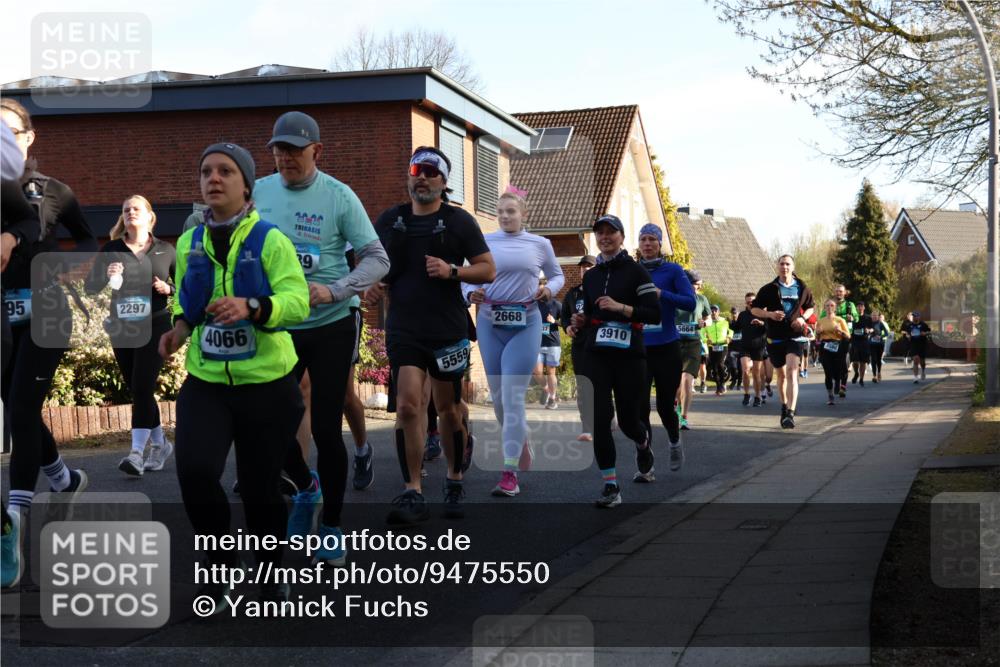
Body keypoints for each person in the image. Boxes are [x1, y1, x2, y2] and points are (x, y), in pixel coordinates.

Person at [159, 142, 310, 608]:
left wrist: (254, 306)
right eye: (207, 171)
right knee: (196, 472)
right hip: (206, 383)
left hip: (267, 385)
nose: (214, 178)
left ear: (246, 185)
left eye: (226, 171)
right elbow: (185, 299)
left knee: (260, 487)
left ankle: (271, 569)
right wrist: (179, 329)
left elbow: (298, 302)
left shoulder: (270, 240)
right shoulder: (189, 241)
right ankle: (219, 566)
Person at [254, 111, 389, 566]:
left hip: (331, 322)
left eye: (294, 150)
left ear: (317, 151)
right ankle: (306, 489)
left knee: (327, 428)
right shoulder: (258, 192)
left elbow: (377, 258)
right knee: (271, 423)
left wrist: (336, 289)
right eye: (279, 149)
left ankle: (331, 526)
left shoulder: (338, 195)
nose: (285, 157)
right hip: (279, 324)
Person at [367, 146, 495, 524]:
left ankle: (454, 479)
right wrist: (372, 283)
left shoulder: (458, 221)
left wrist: (452, 271)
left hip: (446, 328)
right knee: (408, 406)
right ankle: (413, 491)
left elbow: (487, 269)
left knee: (448, 410)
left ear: (443, 181)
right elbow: (375, 263)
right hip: (404, 327)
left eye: (430, 171)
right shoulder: (390, 220)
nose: (421, 177)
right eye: (415, 170)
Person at [1, 98, 97, 534]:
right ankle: (64, 480)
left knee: (21, 407)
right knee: (18, 406)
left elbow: (87, 238)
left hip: (47, 311)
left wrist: (73, 265)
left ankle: (16, 517)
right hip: (5, 315)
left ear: (29, 138)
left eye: (10, 134)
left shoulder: (54, 190)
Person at [464, 188, 563, 497]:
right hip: (490, 321)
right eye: (501, 212)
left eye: (511, 211)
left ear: (523, 214)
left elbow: (557, 276)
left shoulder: (540, 244)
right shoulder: (484, 242)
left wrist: (548, 290)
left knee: (512, 395)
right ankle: (521, 438)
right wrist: (470, 293)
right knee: (498, 399)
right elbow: (466, 277)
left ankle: (509, 474)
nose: (505, 216)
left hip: (526, 322)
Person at [568, 214, 660, 507]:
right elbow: (591, 313)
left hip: (629, 354)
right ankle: (611, 485)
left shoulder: (637, 272)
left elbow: (654, 313)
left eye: (611, 232)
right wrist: (581, 320)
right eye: (600, 233)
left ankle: (642, 443)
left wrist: (621, 308)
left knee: (630, 421)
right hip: (596, 353)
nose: (605, 237)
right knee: (599, 418)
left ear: (622, 237)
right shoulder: (591, 276)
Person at [84, 195, 176, 477]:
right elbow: (90, 288)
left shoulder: (166, 250)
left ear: (150, 216)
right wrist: (106, 273)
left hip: (156, 324)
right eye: (126, 210)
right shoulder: (112, 249)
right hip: (122, 326)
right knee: (138, 389)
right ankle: (161, 444)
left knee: (142, 384)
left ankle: (136, 453)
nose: (130, 212)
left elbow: (185, 285)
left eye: (136, 208)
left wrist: (168, 289)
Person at [1, 118, 40, 589]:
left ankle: (9, 524)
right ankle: (61, 476)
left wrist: (10, 239)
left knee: (22, 408)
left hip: (34, 310)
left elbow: (28, 220)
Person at [636, 224, 695, 475]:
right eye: (643, 239)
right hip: (639, 348)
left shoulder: (673, 270)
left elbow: (690, 302)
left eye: (652, 239)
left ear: (660, 244)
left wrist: (662, 294)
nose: (647, 244)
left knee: (664, 406)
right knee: (640, 407)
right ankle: (645, 462)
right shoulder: (632, 271)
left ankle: (674, 441)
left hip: (667, 347)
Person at [751, 254, 815, 429]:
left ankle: (790, 414)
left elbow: (810, 307)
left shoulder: (802, 287)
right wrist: (769, 314)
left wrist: (802, 318)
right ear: (777, 266)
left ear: (793, 267)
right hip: (775, 336)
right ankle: (784, 406)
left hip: (795, 334)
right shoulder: (769, 289)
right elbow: (755, 309)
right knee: (781, 375)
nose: (784, 267)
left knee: (792, 370)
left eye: (787, 264)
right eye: (781, 264)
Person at [560, 255, 598, 441]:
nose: (585, 270)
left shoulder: (602, 291)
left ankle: (607, 414)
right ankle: (587, 427)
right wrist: (567, 326)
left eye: (589, 266)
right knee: (583, 385)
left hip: (599, 343)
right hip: (580, 344)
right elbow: (564, 315)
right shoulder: (572, 293)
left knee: (600, 383)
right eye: (583, 267)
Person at [674, 270, 711, 429]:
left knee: (687, 381)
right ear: (686, 283)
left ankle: (683, 417)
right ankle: (677, 406)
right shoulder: (674, 297)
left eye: (700, 285)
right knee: (676, 384)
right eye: (696, 284)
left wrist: (705, 323)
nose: (699, 288)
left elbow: (709, 318)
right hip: (674, 343)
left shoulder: (701, 299)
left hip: (693, 343)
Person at [733, 292, 767, 407]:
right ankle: (747, 394)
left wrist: (761, 323)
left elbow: (769, 327)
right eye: (748, 302)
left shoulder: (762, 313)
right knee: (745, 370)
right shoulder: (742, 315)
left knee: (756, 373)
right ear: (745, 303)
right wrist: (733, 320)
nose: (750, 304)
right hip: (745, 346)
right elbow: (736, 327)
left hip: (758, 346)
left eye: (752, 302)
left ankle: (757, 396)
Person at [815, 299, 852, 405]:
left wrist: (840, 331)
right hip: (825, 346)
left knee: (839, 369)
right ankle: (830, 395)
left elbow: (848, 336)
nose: (829, 307)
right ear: (824, 308)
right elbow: (817, 338)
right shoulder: (821, 321)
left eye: (832, 305)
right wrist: (818, 333)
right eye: (827, 305)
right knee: (828, 372)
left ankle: (838, 382)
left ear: (835, 308)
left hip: (837, 345)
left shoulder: (840, 320)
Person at [533, 285, 563, 410]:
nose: (539, 292)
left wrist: (554, 321)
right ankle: (546, 389)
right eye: (537, 290)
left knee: (551, 372)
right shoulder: (533, 305)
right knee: (536, 372)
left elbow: (565, 322)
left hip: (552, 344)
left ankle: (552, 399)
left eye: (541, 290)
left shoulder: (556, 304)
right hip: (536, 344)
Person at [827, 284, 858, 398]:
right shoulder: (830, 304)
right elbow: (822, 317)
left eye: (841, 291)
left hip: (845, 337)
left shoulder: (850, 305)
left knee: (844, 361)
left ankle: (843, 386)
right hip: (832, 337)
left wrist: (852, 318)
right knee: (833, 362)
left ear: (845, 293)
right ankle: (836, 381)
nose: (838, 293)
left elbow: (857, 317)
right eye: (837, 291)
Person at [704, 305, 731, 396]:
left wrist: (729, 337)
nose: (713, 312)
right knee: (714, 367)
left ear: (718, 312)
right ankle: (718, 386)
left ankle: (722, 384)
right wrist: (706, 340)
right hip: (712, 346)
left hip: (723, 345)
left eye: (715, 310)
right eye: (711, 310)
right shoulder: (707, 322)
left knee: (720, 364)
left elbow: (731, 330)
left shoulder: (725, 321)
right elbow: (701, 333)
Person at [849, 301, 874, 386]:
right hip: (855, 341)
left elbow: (872, 328)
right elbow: (848, 326)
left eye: (861, 306)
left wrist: (869, 330)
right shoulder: (853, 317)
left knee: (863, 361)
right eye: (858, 306)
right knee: (855, 361)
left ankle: (861, 379)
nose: (860, 308)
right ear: (856, 308)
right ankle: (856, 373)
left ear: (864, 307)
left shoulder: (868, 318)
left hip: (864, 341)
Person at [903, 311, 931, 383]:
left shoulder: (923, 324)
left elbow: (929, 332)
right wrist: (908, 336)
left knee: (922, 361)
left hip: (922, 344)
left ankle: (923, 371)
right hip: (913, 344)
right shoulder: (910, 325)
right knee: (915, 360)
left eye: (916, 316)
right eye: (913, 316)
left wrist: (925, 333)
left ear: (919, 317)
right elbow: (907, 333)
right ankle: (915, 377)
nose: (914, 317)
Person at [869, 311, 890, 382]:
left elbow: (886, 333)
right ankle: (874, 376)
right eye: (873, 315)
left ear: (878, 317)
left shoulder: (880, 323)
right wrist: (868, 331)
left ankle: (879, 372)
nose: (874, 317)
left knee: (878, 360)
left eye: (876, 315)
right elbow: (865, 331)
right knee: (873, 359)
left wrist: (881, 336)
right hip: (871, 344)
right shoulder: (869, 323)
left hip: (879, 344)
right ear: (871, 316)